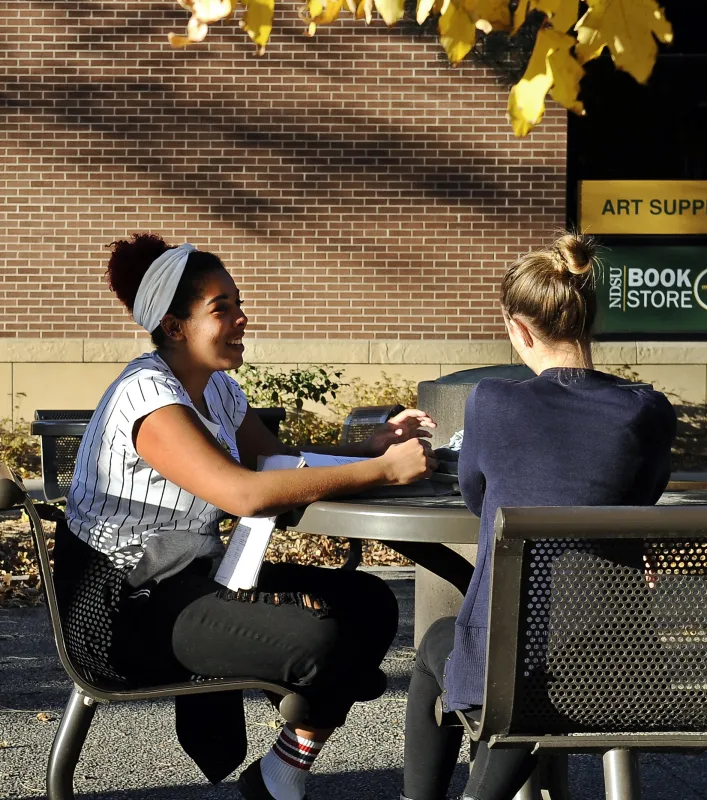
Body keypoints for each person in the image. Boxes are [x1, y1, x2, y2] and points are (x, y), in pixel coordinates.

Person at [61, 233, 435, 800]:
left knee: (370, 604)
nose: (242, 318)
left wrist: (371, 448)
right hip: (123, 609)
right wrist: (381, 472)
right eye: (223, 308)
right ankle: (321, 691)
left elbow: (278, 463)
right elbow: (244, 493)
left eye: (238, 304)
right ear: (174, 326)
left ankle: (280, 774)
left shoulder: (218, 390)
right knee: (324, 642)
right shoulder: (148, 397)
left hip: (193, 582)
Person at [400, 234, 677, 800]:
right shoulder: (648, 410)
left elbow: (480, 501)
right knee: (537, 660)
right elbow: (641, 499)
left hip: (515, 670)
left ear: (520, 330)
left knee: (443, 647)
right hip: (624, 672)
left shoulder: (493, 401)